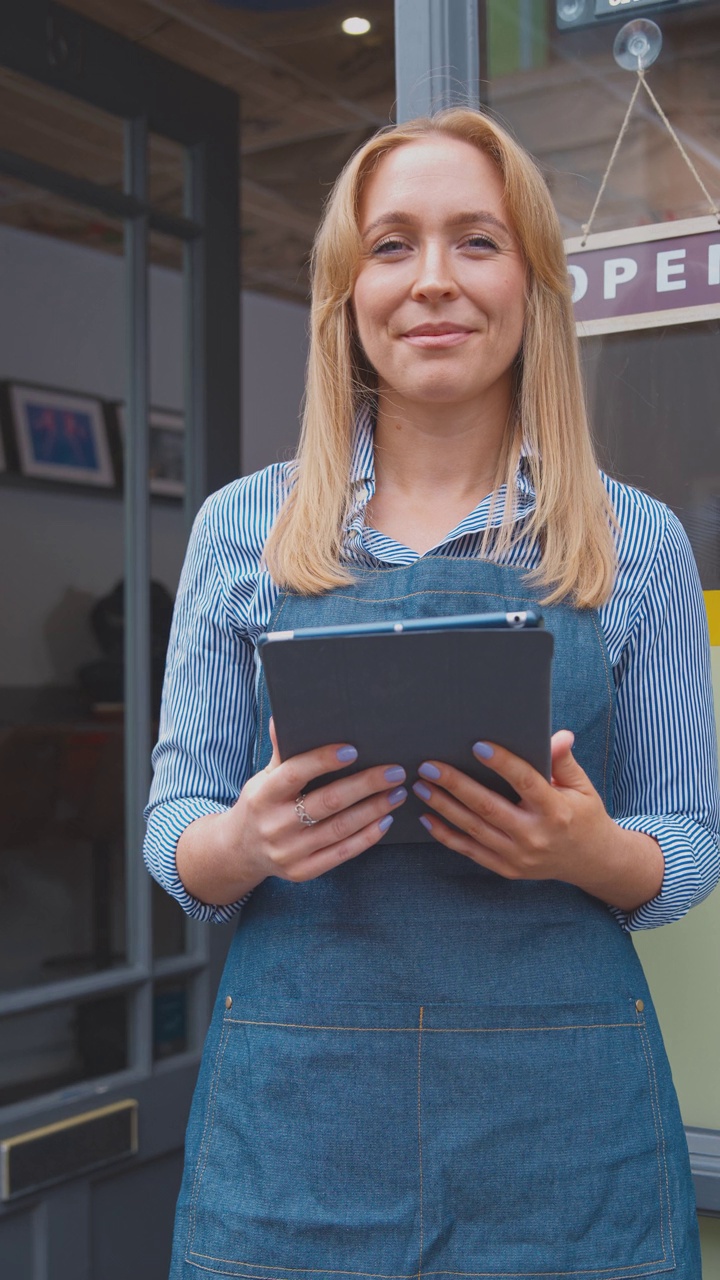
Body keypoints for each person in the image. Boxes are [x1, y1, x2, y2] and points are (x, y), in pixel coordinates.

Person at [144, 108, 720, 1279]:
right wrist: (245, 838)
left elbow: (690, 838)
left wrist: (590, 850)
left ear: (533, 285)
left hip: (563, 1114)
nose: (434, 283)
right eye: (393, 245)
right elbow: (173, 832)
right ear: (346, 292)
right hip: (304, 1113)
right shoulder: (240, 530)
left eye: (478, 241)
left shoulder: (636, 542)